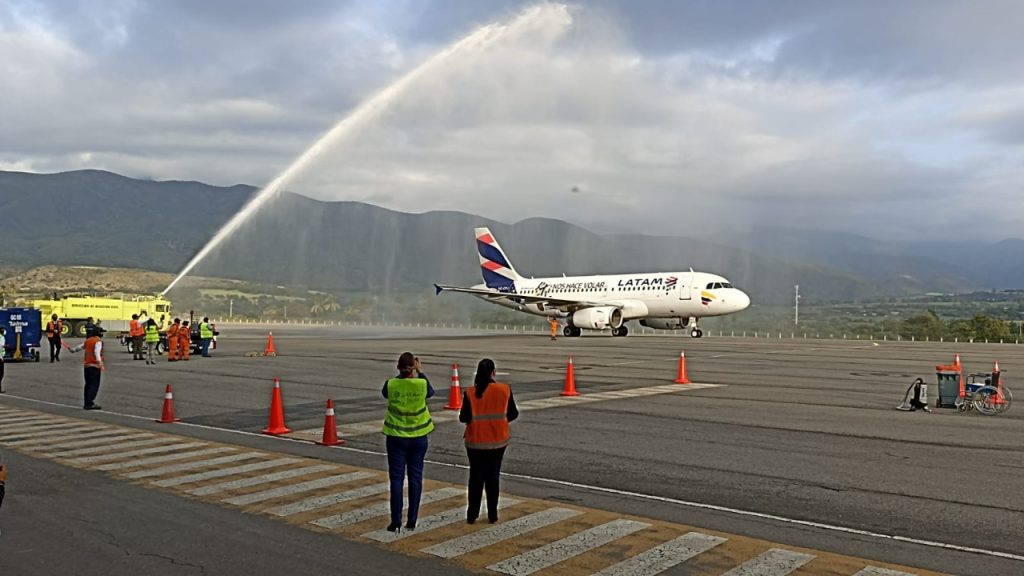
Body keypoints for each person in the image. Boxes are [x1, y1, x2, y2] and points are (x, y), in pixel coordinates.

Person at [460, 358, 518, 524]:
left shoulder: (470, 392)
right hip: (497, 442)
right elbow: (513, 414)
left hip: (475, 442)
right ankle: (492, 514)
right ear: (493, 372)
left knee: (476, 478)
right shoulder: (504, 390)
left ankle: (472, 514)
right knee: (493, 478)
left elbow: (464, 417)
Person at [381, 352, 434, 533]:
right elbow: (431, 392)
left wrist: (402, 374)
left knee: (396, 479)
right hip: (418, 437)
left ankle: (395, 521)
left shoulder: (392, 383)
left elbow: (385, 393)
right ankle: (412, 519)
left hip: (396, 437)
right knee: (415, 478)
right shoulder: (421, 384)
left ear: (398, 367)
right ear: (414, 367)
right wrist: (421, 372)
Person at [70, 326, 105, 410]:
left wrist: (73, 350)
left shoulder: (88, 340)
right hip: (94, 366)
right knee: (94, 385)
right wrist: (99, 361)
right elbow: (96, 351)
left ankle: (87, 402)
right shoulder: (98, 341)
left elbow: (80, 347)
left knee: (88, 385)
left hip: (87, 366)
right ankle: (90, 403)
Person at [0, 327, 6, 394]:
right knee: (1, 374)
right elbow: (1, 347)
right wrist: (1, 357)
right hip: (0, 358)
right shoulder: (1, 338)